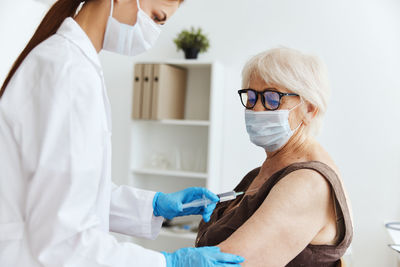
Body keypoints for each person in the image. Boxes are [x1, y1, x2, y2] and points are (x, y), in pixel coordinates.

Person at [0, 0, 245, 266]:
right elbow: (64, 240)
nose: (152, 34)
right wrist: (166, 263)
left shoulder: (75, 64)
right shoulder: (69, 72)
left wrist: (154, 205)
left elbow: (71, 192)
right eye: (156, 17)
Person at [196, 47, 353, 266]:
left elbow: (232, 263)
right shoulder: (265, 171)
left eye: (272, 98)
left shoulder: (309, 183)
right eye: (251, 97)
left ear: (310, 109)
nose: (257, 109)